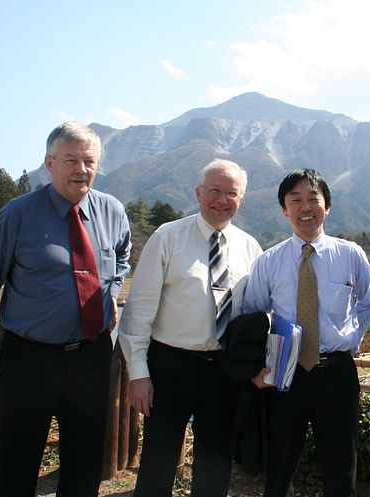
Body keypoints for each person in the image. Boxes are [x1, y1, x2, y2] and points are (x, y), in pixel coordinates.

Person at [0, 121, 132, 497]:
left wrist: (109, 289)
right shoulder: (18, 214)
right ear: (49, 164)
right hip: (28, 359)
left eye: (89, 161)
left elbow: (123, 257)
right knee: (14, 466)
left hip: (90, 357)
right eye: (70, 160)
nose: (81, 169)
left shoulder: (112, 210)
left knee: (84, 465)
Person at [118, 159, 262, 497]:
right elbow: (139, 311)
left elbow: (256, 311)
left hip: (224, 371)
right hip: (171, 366)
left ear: (241, 198)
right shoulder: (168, 237)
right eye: (214, 191)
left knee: (216, 464)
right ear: (198, 193)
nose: (222, 200)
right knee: (158, 460)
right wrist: (138, 374)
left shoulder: (249, 246)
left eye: (231, 193)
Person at [243, 168, 370, 497]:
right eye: (295, 200)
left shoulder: (349, 254)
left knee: (341, 460)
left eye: (313, 199)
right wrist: (257, 367)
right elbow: (252, 315)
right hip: (284, 372)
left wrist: (353, 339)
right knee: (280, 460)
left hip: (336, 372)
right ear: (284, 209)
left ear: (327, 206)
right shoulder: (269, 261)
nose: (306, 207)